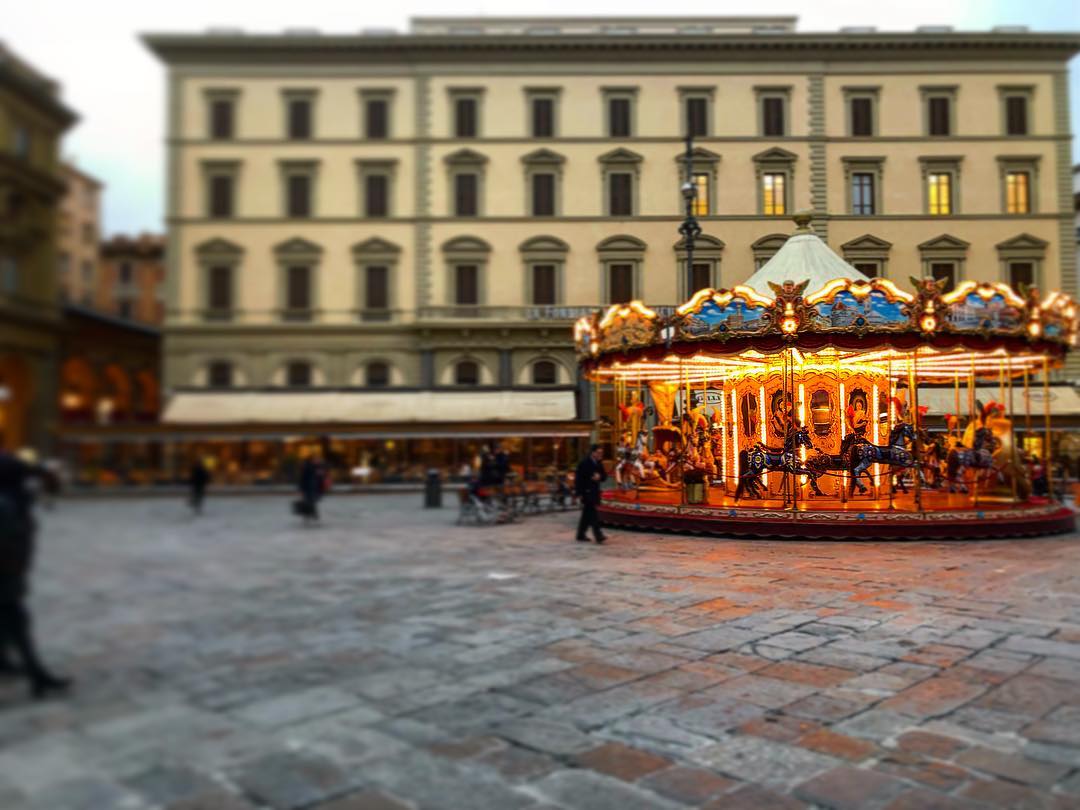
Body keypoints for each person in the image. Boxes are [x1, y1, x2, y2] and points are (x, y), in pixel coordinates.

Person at [0, 447, 71, 699]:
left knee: (14, 625)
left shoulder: (12, 500)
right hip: (5, 582)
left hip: (10, 580)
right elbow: (10, 545)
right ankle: (37, 676)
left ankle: (22, 669)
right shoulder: (7, 504)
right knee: (18, 624)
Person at [574, 444, 608, 544]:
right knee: (593, 514)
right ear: (592, 453)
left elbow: (604, 476)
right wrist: (578, 493)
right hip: (586, 492)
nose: (600, 454)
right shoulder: (584, 463)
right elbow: (578, 479)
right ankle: (598, 535)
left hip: (594, 492)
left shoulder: (599, 463)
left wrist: (600, 477)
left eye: (601, 453)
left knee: (587, 514)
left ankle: (580, 534)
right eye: (598, 452)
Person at [297, 451, 326, 525]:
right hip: (308, 487)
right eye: (316, 459)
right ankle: (313, 515)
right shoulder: (306, 467)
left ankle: (308, 515)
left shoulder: (319, 466)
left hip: (315, 487)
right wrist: (301, 489)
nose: (317, 460)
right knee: (310, 501)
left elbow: (322, 477)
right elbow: (302, 478)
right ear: (312, 460)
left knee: (311, 502)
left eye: (318, 459)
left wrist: (321, 474)